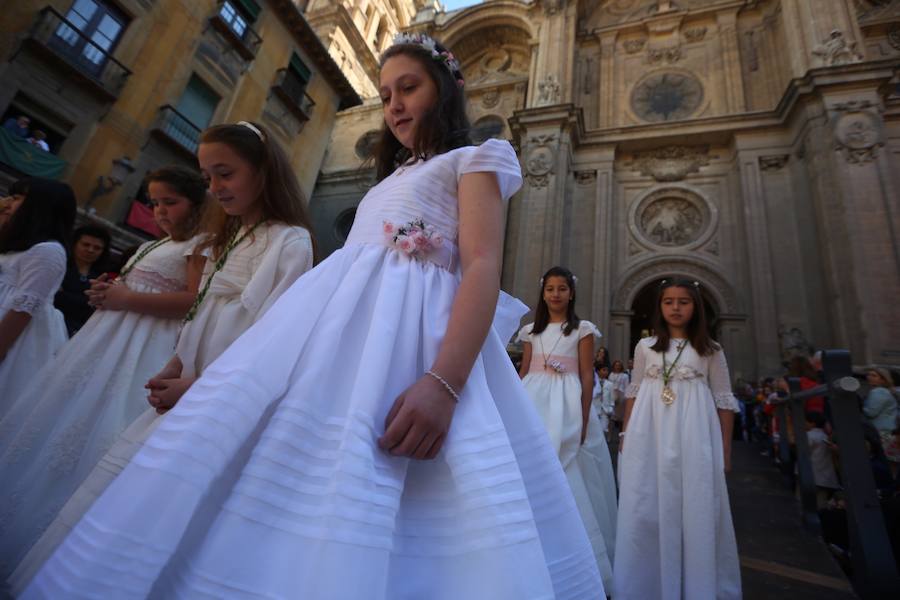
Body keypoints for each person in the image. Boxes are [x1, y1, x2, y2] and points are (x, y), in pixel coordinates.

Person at [24, 34, 603, 599]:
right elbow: (299, 325)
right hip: (336, 346)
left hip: (413, 355)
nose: (395, 104)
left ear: (444, 91)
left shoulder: (473, 159)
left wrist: (443, 383)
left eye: (410, 87)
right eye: (385, 93)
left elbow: (480, 267)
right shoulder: (392, 178)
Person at [0, 166, 211, 581]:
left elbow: (194, 301)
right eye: (155, 203)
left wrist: (127, 297)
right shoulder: (158, 244)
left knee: (103, 420)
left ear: (195, 203)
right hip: (111, 335)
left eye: (171, 202)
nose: (161, 211)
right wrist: (108, 296)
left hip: (142, 345)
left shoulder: (202, 244)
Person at [614, 278, 741, 599]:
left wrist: (725, 450)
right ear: (660, 307)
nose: (675, 307)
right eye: (668, 301)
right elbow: (635, 391)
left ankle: (697, 583)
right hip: (649, 431)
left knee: (697, 501)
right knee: (647, 500)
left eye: (683, 302)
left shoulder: (711, 350)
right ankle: (647, 583)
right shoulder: (644, 348)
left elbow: (724, 400)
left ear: (695, 307)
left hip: (694, 431)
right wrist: (626, 434)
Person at [517, 266, 617, 590]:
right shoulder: (531, 331)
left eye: (562, 288)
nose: (555, 294)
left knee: (569, 462)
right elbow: (522, 372)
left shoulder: (582, 330)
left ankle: (576, 546)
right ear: (543, 293)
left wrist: (585, 415)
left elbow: (587, 375)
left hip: (568, 399)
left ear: (571, 293)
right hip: (534, 397)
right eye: (550, 289)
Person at [0, 179, 74, 409]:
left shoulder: (48, 252)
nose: (9, 202)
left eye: (18, 198)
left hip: (11, 332)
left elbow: (24, 308)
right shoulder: (19, 243)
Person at [53, 225, 111, 336]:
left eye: (97, 248)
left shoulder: (102, 277)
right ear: (74, 243)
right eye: (85, 245)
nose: (90, 250)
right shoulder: (60, 266)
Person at [863, 367, 899, 469]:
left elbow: (871, 412)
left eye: (874, 375)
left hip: (881, 433)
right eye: (869, 374)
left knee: (883, 463)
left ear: (883, 379)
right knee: (891, 463)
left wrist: (859, 407)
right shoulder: (887, 391)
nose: (869, 377)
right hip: (889, 432)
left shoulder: (878, 392)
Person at [806, 412, 839, 508]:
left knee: (802, 502)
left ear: (812, 423)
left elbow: (803, 451)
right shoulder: (826, 437)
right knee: (820, 505)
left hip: (810, 474)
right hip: (826, 478)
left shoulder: (809, 435)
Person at [608, 359, 629, 435]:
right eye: (616, 365)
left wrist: (625, 398)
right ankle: (609, 435)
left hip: (621, 396)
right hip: (612, 395)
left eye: (619, 365)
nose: (617, 367)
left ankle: (621, 434)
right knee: (611, 417)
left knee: (620, 418)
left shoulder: (625, 376)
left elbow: (627, 387)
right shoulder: (611, 374)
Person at [594, 365, 615, 439]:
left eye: (607, 370)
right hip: (595, 408)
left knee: (603, 429)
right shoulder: (593, 383)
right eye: (603, 370)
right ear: (598, 371)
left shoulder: (610, 384)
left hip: (605, 409)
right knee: (595, 430)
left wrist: (611, 408)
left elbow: (612, 398)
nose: (606, 372)